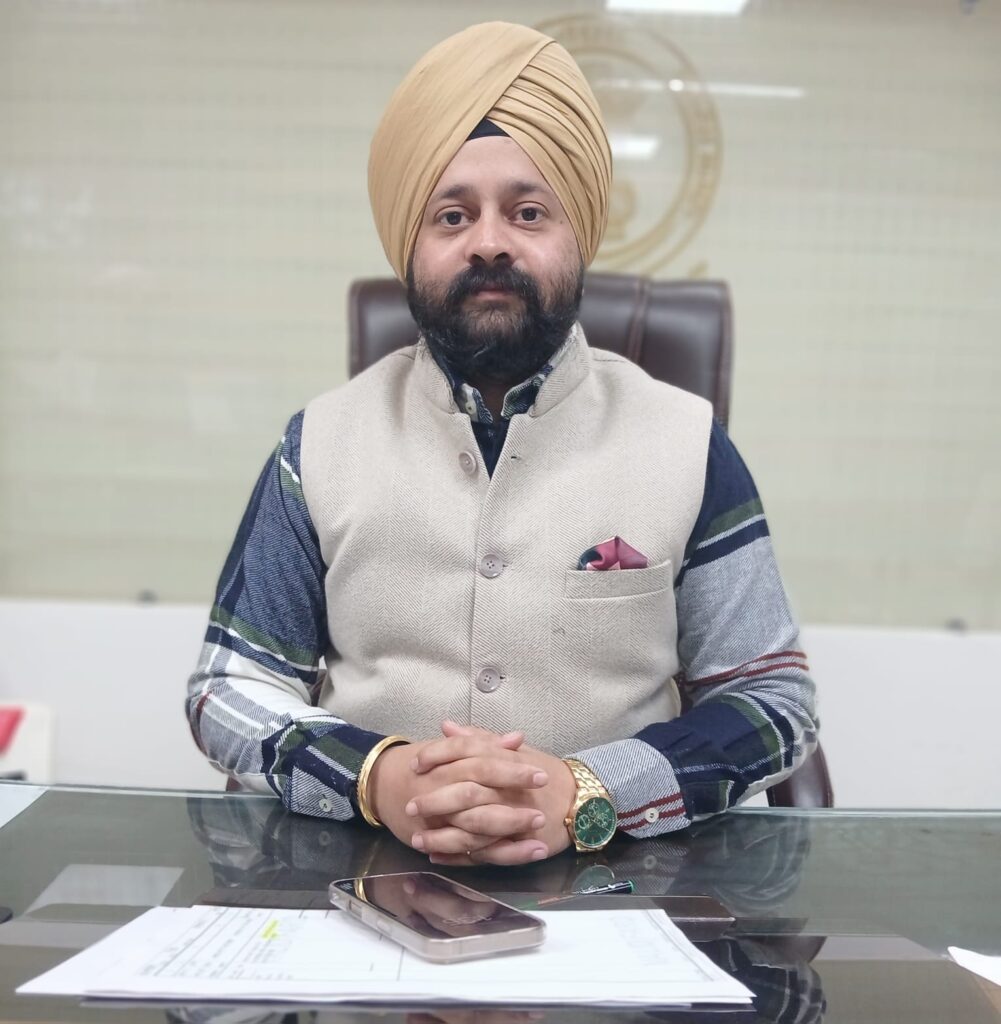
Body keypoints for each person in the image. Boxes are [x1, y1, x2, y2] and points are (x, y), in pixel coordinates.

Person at [186, 21, 818, 867]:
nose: (488, 241)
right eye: (452, 216)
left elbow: (771, 697)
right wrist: (376, 778)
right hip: (364, 880)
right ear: (409, 247)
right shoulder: (318, 445)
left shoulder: (688, 443)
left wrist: (590, 791)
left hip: (616, 883)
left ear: (578, 235)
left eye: (527, 212)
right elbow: (228, 686)